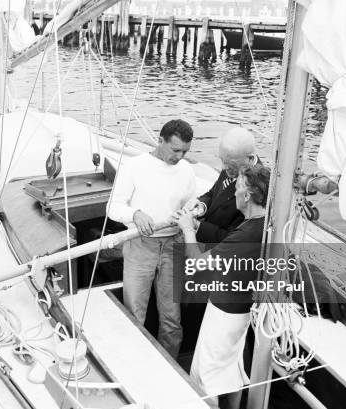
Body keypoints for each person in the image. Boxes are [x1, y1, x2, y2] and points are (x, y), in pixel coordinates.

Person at [174, 164, 270, 409]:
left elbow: (197, 262)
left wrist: (187, 228)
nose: (233, 193)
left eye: (237, 188)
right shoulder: (265, 223)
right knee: (231, 368)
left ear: (247, 195)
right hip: (244, 310)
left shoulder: (246, 233)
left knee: (203, 376)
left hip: (224, 314)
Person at [107, 119, 197, 358]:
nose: (179, 156)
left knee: (172, 318)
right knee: (134, 313)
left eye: (185, 152)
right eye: (175, 150)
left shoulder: (187, 170)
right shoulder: (134, 166)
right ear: (160, 141)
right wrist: (135, 214)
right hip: (140, 246)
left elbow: (191, 203)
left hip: (173, 244)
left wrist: (191, 215)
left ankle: (170, 365)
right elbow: (113, 207)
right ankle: (133, 364)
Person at [186, 127, 260, 244]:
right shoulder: (232, 165)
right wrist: (201, 206)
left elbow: (234, 238)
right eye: (222, 160)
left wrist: (196, 226)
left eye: (230, 164)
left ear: (250, 159)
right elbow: (213, 193)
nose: (224, 167)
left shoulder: (257, 188)